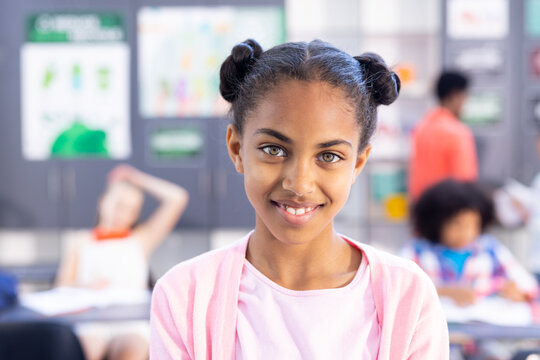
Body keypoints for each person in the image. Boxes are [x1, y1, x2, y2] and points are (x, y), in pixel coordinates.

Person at [150, 39, 449, 359]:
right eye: (273, 150)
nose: (299, 183)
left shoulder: (408, 296)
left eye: (330, 156)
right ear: (237, 149)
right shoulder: (185, 294)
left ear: (358, 163)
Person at [55, 164, 189, 360]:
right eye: (119, 205)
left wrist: (137, 178)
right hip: (92, 322)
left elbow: (177, 198)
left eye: (131, 210)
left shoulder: (141, 239)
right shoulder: (80, 241)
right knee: (85, 350)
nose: (123, 214)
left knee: (130, 352)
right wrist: (85, 286)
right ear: (102, 202)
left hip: (131, 323)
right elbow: (62, 285)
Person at [401, 179, 539, 307]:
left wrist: (519, 293)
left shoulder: (489, 249)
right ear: (436, 222)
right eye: (457, 225)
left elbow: (529, 287)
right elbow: (399, 291)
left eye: (473, 225)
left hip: (484, 329)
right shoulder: (417, 251)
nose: (466, 233)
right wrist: (444, 292)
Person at [408, 70, 478, 200]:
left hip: (423, 208)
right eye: (464, 97)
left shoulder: (421, 128)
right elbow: (465, 182)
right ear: (454, 95)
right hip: (449, 211)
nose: (465, 104)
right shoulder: (457, 132)